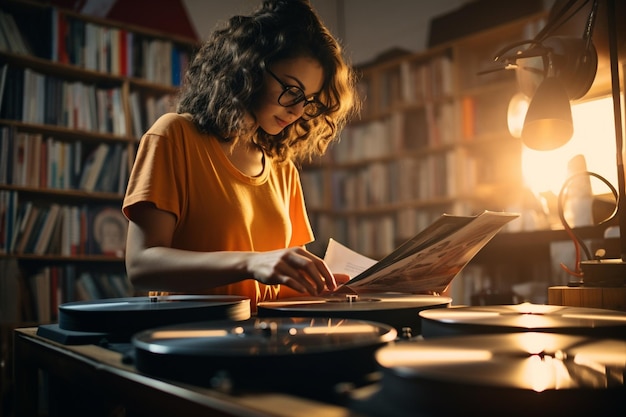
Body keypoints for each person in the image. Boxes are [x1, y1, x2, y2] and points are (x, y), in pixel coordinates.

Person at [122, 0, 359, 311]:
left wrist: (337, 291)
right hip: (192, 339)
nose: (299, 110)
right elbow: (141, 266)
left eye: (309, 100)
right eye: (292, 90)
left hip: (267, 341)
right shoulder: (174, 135)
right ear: (249, 68)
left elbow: (286, 285)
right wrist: (251, 263)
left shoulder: (282, 168)